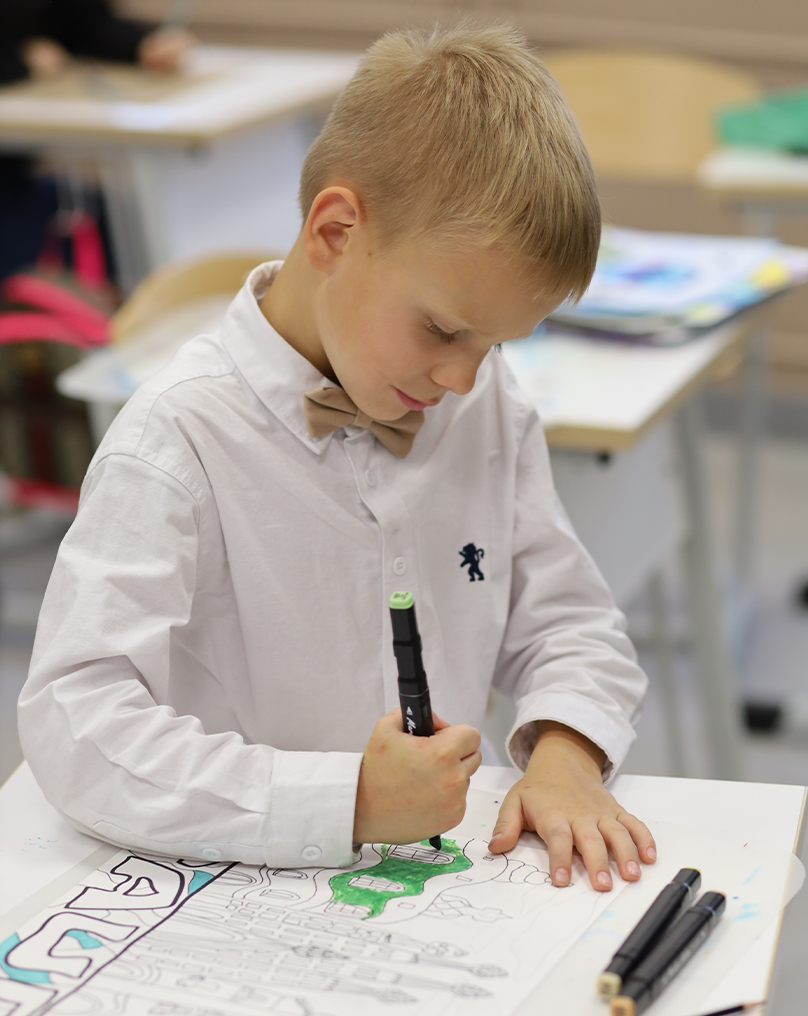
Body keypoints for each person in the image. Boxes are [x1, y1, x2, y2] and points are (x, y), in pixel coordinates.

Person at [18, 22, 656, 893]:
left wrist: (567, 756)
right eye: (444, 330)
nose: (464, 378)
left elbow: (568, 621)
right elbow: (76, 723)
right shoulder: (177, 441)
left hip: (429, 896)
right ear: (334, 232)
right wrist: (343, 800)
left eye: (496, 344)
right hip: (225, 895)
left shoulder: (481, 401)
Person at [0, 0, 192, 281]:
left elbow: (84, 23)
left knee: (119, 222)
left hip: (21, 175)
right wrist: (19, 62)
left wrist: (144, 46)